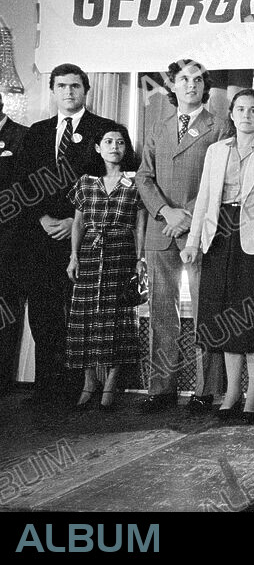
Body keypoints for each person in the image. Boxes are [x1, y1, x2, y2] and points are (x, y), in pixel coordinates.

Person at [181, 89, 254, 424]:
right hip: (219, 239)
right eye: (240, 109)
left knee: (253, 318)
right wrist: (191, 241)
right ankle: (231, 392)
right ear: (231, 114)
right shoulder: (216, 150)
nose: (246, 115)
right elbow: (203, 199)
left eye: (253, 110)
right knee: (228, 319)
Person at [15, 64, 117, 407]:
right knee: (42, 313)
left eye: (75, 86)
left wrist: (76, 222)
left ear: (85, 89)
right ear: (53, 91)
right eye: (62, 86)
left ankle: (80, 388)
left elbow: (107, 183)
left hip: (84, 238)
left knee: (80, 312)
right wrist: (43, 217)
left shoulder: (103, 130)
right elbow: (23, 182)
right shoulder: (37, 132)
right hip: (41, 237)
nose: (69, 92)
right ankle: (47, 386)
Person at [136, 59, 228, 415]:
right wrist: (165, 212)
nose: (191, 85)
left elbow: (219, 181)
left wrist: (187, 215)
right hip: (161, 232)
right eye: (183, 79)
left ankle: (207, 391)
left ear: (206, 86)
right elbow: (144, 177)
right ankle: (161, 389)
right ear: (171, 86)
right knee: (162, 314)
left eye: (198, 80)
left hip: (202, 232)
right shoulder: (158, 128)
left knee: (208, 312)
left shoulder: (220, 127)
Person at [66, 125, 145, 409]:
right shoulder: (86, 183)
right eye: (108, 142)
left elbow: (140, 226)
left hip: (121, 255)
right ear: (98, 147)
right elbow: (78, 222)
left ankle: (112, 380)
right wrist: (74, 256)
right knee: (85, 317)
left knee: (118, 317)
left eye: (120, 142)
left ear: (126, 149)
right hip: (88, 254)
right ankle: (89, 381)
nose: (115, 147)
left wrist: (139, 259)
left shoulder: (135, 184)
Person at [0, 92, 29, 397]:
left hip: (9, 244)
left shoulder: (22, 137)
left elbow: (29, 190)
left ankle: (2, 381)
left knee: (6, 312)